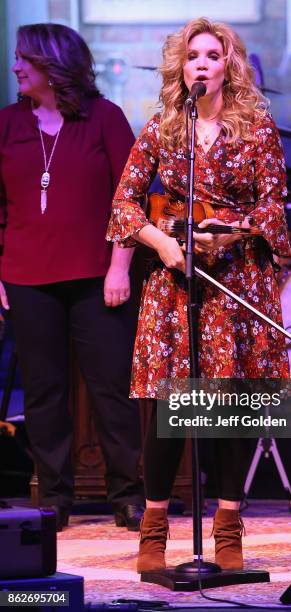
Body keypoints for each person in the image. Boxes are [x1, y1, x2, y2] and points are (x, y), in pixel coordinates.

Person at [107, 17, 291, 571]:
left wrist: (235, 233)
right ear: (180, 67)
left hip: (237, 281)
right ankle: (154, 532)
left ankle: (229, 531)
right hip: (176, 281)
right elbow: (124, 204)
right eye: (193, 56)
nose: (201, 64)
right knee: (172, 409)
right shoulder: (164, 125)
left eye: (212, 54)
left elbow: (271, 204)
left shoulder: (256, 126)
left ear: (229, 63)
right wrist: (161, 243)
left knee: (233, 408)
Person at [0, 23, 144, 531]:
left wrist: (120, 266)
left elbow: (130, 199)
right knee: (43, 391)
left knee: (111, 387)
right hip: (26, 275)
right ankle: (54, 496)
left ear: (54, 65)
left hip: (97, 275)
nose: (16, 67)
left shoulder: (104, 118)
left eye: (24, 59)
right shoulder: (6, 123)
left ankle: (128, 494)